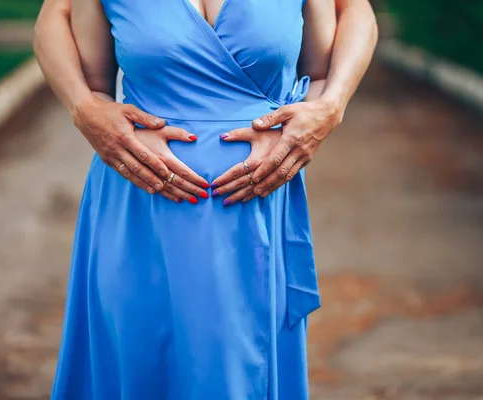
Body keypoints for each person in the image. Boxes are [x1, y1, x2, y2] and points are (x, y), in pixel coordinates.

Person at [33, 0, 377, 398]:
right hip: (141, 214)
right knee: (138, 364)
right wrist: (85, 109)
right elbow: (63, 35)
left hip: (253, 215)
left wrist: (328, 109)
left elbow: (351, 16)